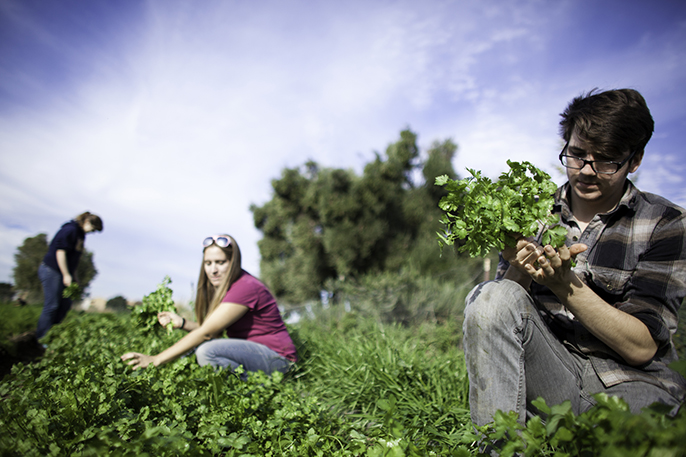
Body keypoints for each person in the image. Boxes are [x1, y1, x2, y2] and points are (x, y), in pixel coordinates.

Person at [463, 88, 686, 429]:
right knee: (491, 295)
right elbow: (498, 315)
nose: (585, 170)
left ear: (635, 160)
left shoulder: (664, 223)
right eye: (577, 154)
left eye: (607, 160)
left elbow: (641, 348)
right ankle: (501, 448)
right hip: (550, 373)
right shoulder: (532, 213)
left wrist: (566, 285)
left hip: (631, 384)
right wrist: (521, 271)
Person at [121, 234, 297, 379]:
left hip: (279, 359)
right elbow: (213, 330)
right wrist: (182, 323)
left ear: (233, 262)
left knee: (207, 352)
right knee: (197, 350)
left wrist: (155, 359)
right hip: (256, 355)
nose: (213, 270)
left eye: (220, 262)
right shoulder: (228, 288)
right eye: (208, 263)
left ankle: (259, 389)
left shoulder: (245, 287)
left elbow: (206, 333)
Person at [36, 212, 103, 340]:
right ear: (87, 222)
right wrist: (66, 274)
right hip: (52, 270)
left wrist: (74, 276)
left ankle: (52, 335)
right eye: (93, 229)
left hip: (64, 272)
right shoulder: (70, 230)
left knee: (65, 305)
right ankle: (42, 338)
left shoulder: (80, 235)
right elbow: (60, 252)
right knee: (52, 305)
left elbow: (74, 259)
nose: (92, 232)